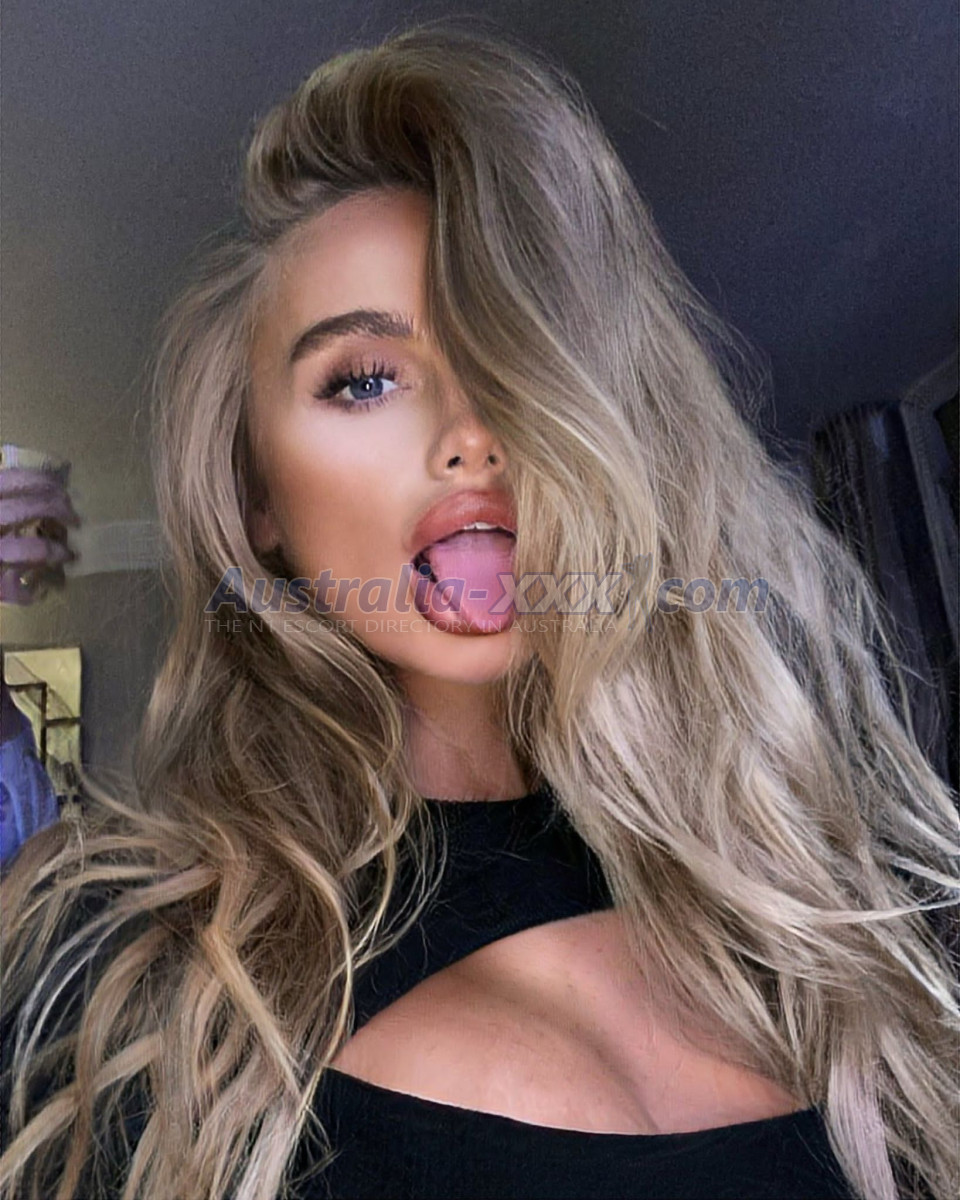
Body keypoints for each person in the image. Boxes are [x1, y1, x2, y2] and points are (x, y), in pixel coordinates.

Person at [1, 21, 957, 1200]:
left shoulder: (818, 889)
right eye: (364, 378)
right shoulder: (122, 974)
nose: (472, 436)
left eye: (513, 352)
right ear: (257, 499)